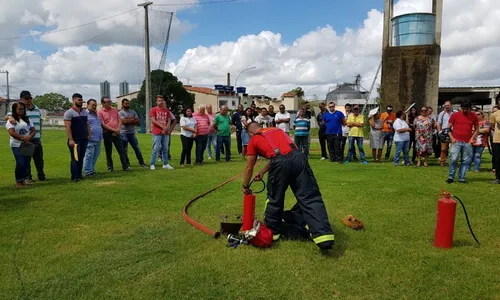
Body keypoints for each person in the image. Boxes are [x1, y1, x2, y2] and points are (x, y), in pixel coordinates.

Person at [242, 123, 335, 251]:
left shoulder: (253, 140)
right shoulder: (277, 131)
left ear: (251, 133)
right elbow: (282, 152)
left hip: (280, 163)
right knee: (310, 196)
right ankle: (324, 237)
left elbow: (249, 167)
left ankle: (273, 233)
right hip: (299, 158)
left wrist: (245, 186)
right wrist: (263, 171)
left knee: (275, 198)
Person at [4, 90, 46, 182]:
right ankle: (27, 177)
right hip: (24, 139)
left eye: (30, 98)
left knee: (39, 159)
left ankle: (41, 175)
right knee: (26, 160)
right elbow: (6, 117)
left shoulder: (36, 108)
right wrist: (10, 117)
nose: (29, 100)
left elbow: (38, 121)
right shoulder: (19, 109)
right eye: (26, 98)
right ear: (21, 99)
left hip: (36, 137)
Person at [446, 101, 479, 184]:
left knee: (465, 161)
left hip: (467, 142)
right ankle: (451, 177)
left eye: (467, 109)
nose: (465, 111)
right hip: (456, 141)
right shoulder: (455, 115)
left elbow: (477, 129)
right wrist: (451, 138)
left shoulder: (473, 116)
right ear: (461, 108)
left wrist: (472, 139)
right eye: (463, 109)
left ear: (470, 108)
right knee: (453, 159)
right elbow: (448, 128)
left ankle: (462, 178)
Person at [6, 102, 35, 188]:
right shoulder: (11, 120)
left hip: (27, 144)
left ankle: (23, 180)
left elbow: (33, 130)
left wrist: (29, 137)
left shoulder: (27, 119)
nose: (21, 110)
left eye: (23, 109)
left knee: (26, 163)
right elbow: (11, 132)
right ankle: (18, 181)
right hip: (16, 144)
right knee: (20, 162)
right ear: (15, 109)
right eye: (19, 109)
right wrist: (22, 138)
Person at [98, 97, 129, 172]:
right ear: (103, 103)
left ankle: (125, 166)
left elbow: (119, 120)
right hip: (107, 133)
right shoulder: (100, 112)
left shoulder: (114, 109)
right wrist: (114, 130)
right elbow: (103, 124)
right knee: (108, 151)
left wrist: (118, 129)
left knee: (121, 150)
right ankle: (110, 167)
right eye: (107, 102)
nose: (109, 103)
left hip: (117, 132)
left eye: (110, 101)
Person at [63, 93, 90, 182]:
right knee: (75, 158)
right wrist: (71, 139)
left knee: (81, 158)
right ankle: (74, 177)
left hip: (84, 139)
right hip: (75, 140)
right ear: (74, 100)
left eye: (81, 100)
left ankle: (79, 175)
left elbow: (87, 124)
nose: (81, 102)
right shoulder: (69, 112)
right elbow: (67, 127)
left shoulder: (84, 112)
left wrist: (89, 134)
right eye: (79, 100)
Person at [119, 98, 147, 168]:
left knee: (137, 148)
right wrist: (132, 120)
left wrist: (128, 120)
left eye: (128, 103)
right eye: (126, 103)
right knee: (124, 149)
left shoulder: (133, 111)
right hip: (123, 133)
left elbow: (137, 121)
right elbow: (124, 122)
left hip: (132, 133)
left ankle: (141, 162)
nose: (127, 105)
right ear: (122, 104)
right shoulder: (120, 113)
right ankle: (127, 164)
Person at [149, 95, 175, 170]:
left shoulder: (167, 110)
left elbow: (169, 120)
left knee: (165, 148)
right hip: (157, 132)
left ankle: (165, 163)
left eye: (162, 100)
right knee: (156, 147)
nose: (161, 102)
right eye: (159, 100)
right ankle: (152, 163)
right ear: (156, 102)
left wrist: (166, 128)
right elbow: (153, 120)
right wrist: (162, 127)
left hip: (166, 132)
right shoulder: (153, 110)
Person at [83, 99, 103, 177]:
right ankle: (87, 171)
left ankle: (91, 169)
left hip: (98, 138)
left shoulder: (96, 114)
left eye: (95, 105)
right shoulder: (85, 114)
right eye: (92, 105)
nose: (94, 106)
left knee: (96, 155)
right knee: (89, 155)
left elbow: (99, 125)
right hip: (90, 139)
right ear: (88, 105)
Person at [436, 101, 456, 166]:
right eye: (445, 105)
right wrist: (439, 132)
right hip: (444, 133)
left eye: (448, 105)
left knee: (454, 149)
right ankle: (442, 162)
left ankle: (453, 162)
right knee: (443, 148)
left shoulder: (455, 113)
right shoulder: (442, 113)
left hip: (454, 132)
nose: (446, 106)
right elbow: (438, 123)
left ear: (451, 105)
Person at [491, 105, 500, 184]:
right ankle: (498, 178)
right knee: (498, 159)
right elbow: (492, 125)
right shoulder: (495, 114)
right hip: (498, 140)